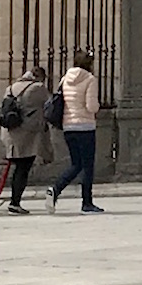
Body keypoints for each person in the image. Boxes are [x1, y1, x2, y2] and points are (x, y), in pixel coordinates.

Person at [49, 48, 102, 214]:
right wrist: (97, 106)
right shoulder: (90, 79)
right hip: (85, 126)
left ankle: (56, 189)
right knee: (87, 166)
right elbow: (91, 106)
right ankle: (87, 202)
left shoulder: (65, 78)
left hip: (68, 126)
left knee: (76, 164)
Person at [0, 63, 51, 215]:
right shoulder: (38, 88)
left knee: (17, 167)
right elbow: (49, 104)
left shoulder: (11, 87)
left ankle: (14, 200)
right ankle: (15, 202)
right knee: (23, 168)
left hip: (9, 132)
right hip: (26, 133)